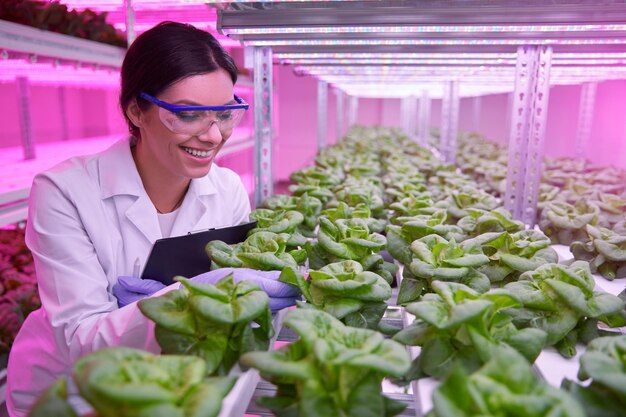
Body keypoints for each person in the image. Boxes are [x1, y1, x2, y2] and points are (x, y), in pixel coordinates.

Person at [6, 22, 299, 417]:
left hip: (173, 380)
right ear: (135, 110)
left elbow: (230, 320)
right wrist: (190, 296)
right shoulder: (64, 191)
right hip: (75, 393)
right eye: (189, 114)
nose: (213, 135)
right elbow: (79, 340)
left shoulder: (227, 188)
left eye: (226, 114)